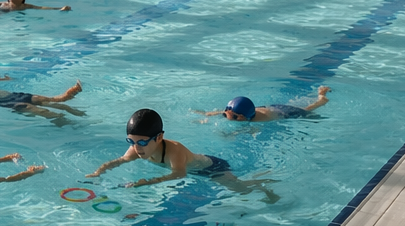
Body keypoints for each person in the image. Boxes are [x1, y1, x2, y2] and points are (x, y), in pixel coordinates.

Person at [87, 109, 277, 202]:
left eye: (142, 142)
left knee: (241, 190)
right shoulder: (136, 149)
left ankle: (262, 182)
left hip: (211, 168)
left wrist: (149, 182)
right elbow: (117, 161)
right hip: (194, 169)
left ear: (159, 137)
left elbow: (179, 174)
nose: (137, 148)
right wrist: (99, 172)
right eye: (132, 142)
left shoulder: (174, 150)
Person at [198, 86, 332, 122]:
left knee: (307, 110)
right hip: (272, 108)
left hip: (285, 113)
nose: (229, 117)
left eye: (234, 117)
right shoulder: (236, 112)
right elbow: (225, 112)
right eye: (228, 113)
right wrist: (207, 114)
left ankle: (321, 100)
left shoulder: (255, 120)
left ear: (244, 117)